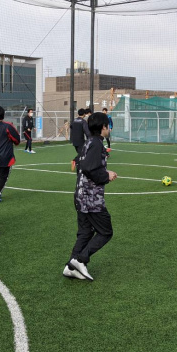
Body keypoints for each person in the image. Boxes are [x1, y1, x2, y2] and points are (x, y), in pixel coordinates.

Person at [63, 112, 118, 281]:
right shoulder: (95, 144)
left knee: (85, 232)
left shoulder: (89, 142)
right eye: (107, 126)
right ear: (103, 127)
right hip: (90, 199)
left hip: (81, 195)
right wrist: (106, 176)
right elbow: (88, 167)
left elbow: (84, 164)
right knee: (106, 232)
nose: (109, 128)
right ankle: (80, 260)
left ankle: (70, 267)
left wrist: (104, 171)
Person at [0, 106, 20, 203]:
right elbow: (17, 139)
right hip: (6, 155)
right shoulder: (8, 126)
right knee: (4, 175)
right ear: (3, 115)